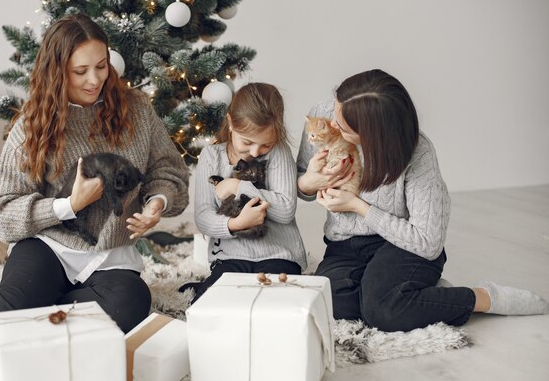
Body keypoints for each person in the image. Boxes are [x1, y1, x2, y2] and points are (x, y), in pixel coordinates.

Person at [0, 14, 189, 342]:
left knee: (130, 306)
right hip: (50, 245)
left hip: (110, 256)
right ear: (58, 71)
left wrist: (157, 202)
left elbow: (169, 170)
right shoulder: (33, 126)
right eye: (80, 71)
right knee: (14, 309)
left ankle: (27, 312)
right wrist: (68, 205)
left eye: (102, 66)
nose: (95, 80)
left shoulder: (137, 111)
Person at [296, 69, 548, 332]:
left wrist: (358, 206)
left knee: (382, 312)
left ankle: (482, 297)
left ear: (373, 134)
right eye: (335, 111)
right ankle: (414, 294)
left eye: (344, 127)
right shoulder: (323, 117)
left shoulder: (418, 154)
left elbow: (428, 242)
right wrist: (308, 183)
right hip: (346, 243)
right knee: (328, 302)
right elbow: (300, 181)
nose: (332, 124)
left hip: (404, 244)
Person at [183, 82, 307, 302]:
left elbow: (286, 210)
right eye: (247, 142)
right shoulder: (211, 156)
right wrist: (235, 224)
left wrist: (238, 187)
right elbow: (203, 216)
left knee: (275, 303)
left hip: (278, 254)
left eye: (265, 145)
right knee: (212, 303)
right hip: (230, 256)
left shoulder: (279, 152)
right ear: (230, 123)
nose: (254, 152)